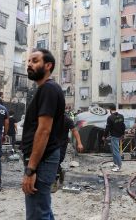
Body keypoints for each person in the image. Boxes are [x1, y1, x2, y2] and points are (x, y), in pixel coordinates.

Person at [21, 48, 65, 220]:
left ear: (48, 65)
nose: (29, 64)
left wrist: (30, 170)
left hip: (42, 160)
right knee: (42, 211)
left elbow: (43, 131)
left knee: (37, 214)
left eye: (35, 61)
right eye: (29, 61)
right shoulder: (45, 89)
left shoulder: (48, 89)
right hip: (43, 159)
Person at [51, 113, 84, 192]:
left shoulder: (67, 119)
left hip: (62, 144)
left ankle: (58, 174)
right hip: (52, 143)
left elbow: (74, 130)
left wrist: (79, 143)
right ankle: (54, 181)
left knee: (58, 161)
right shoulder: (51, 117)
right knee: (54, 162)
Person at [104, 104, 125, 172]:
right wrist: (123, 134)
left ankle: (119, 166)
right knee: (114, 150)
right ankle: (115, 163)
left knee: (116, 151)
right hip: (119, 135)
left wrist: (104, 136)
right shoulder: (121, 116)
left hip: (114, 136)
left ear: (110, 109)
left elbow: (107, 128)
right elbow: (123, 126)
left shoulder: (110, 118)